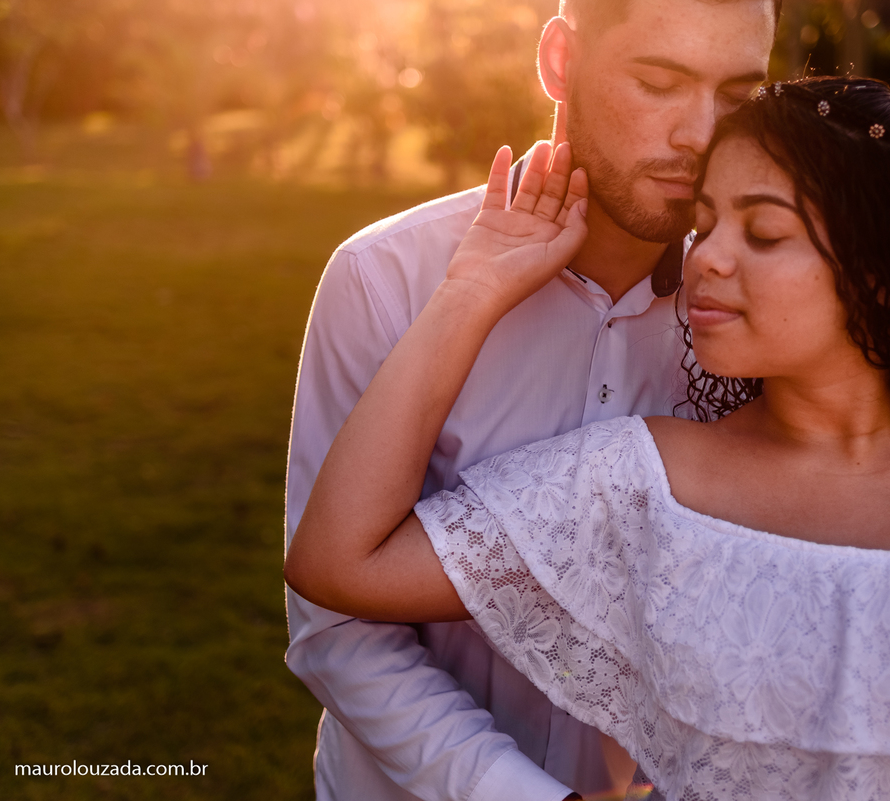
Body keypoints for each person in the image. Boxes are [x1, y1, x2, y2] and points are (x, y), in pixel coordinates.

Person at [285, 77, 890, 800]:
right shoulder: (641, 482)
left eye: (761, 230)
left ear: (885, 269)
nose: (706, 256)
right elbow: (337, 562)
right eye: (704, 222)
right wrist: (473, 291)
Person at [283, 0, 779, 798]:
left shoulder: (762, 313)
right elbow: (336, 628)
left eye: (737, 96)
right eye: (659, 82)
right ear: (559, 62)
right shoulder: (382, 280)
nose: (699, 134)